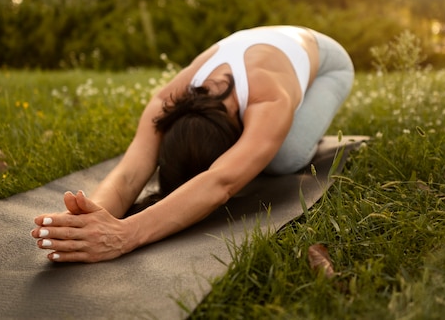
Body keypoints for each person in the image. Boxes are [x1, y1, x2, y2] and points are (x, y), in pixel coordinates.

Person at [31, 25, 354, 262]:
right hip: (264, 43)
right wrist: (88, 219)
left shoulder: (270, 98)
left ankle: (264, 141)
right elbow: (129, 173)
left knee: (283, 157)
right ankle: (256, 144)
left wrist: (123, 236)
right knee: (260, 153)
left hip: (328, 61)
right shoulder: (167, 101)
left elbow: (220, 182)